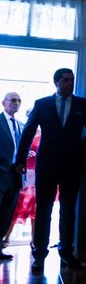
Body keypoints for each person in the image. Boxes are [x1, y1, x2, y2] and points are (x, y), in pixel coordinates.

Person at [15, 68, 86, 273]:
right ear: (56, 82)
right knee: (43, 211)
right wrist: (19, 159)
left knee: (68, 210)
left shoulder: (82, 104)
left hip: (72, 165)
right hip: (46, 166)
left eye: (71, 80)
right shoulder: (42, 104)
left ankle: (67, 253)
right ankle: (39, 256)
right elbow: (28, 132)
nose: (70, 83)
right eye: (65, 80)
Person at [5, 127, 40, 250]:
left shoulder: (43, 136)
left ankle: (34, 240)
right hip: (24, 178)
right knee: (16, 209)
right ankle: (6, 238)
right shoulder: (25, 134)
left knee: (35, 212)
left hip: (36, 178)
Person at [0, 92, 24, 261]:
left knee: (6, 214)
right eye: (13, 100)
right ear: (3, 103)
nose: (16, 103)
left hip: (15, 176)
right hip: (0, 174)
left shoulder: (21, 125)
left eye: (18, 101)